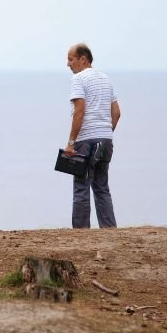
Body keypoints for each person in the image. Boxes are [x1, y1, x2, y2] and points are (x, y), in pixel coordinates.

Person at [62, 43, 121, 228]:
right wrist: (104, 134)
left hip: (86, 141)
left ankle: (81, 234)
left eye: (70, 59)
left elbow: (79, 111)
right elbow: (117, 113)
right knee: (102, 188)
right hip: (106, 141)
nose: (68, 64)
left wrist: (71, 143)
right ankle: (110, 230)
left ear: (83, 59)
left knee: (81, 188)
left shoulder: (78, 79)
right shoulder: (106, 79)